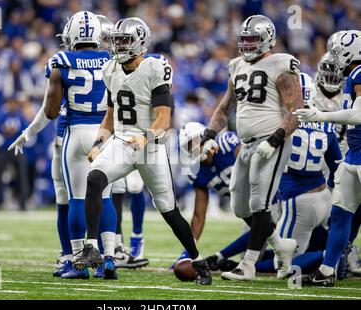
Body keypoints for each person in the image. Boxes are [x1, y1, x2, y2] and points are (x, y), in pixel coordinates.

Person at [73, 17, 212, 285]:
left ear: (139, 42)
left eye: (125, 40)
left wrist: (145, 137)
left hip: (151, 147)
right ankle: (91, 248)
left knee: (169, 211)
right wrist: (98, 143)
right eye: (116, 40)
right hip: (123, 142)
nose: (119, 45)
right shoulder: (110, 69)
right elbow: (110, 116)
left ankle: (198, 260)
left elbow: (163, 119)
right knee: (94, 177)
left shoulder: (155, 68)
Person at [201, 15, 303, 281]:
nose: (247, 45)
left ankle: (248, 265)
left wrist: (276, 138)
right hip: (246, 145)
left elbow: (296, 110)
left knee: (260, 203)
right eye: (243, 39)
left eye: (252, 40)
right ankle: (281, 245)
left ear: (267, 39)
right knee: (240, 207)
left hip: (271, 141)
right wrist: (209, 134)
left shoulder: (281, 63)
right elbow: (225, 107)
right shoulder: (236, 66)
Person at [41, 11, 119, 280]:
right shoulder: (113, 59)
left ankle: (78, 262)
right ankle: (108, 258)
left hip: (76, 133)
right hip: (105, 134)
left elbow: (51, 112)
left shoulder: (60, 61)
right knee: (105, 196)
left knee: (76, 198)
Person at [295, 30, 361, 286]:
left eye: (338, 51)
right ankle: (326, 271)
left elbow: (358, 115)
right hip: (353, 155)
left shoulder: (358, 73)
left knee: (342, 215)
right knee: (341, 214)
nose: (335, 57)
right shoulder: (352, 75)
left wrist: (321, 117)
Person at [170, 122, 240, 268]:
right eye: (188, 147)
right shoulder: (197, 173)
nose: (193, 149)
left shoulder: (227, 143)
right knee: (255, 255)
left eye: (194, 143)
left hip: (267, 199)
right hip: (248, 209)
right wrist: (189, 250)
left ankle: (217, 258)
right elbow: (198, 216)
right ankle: (221, 260)